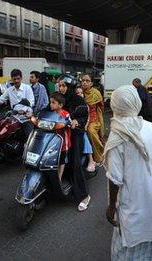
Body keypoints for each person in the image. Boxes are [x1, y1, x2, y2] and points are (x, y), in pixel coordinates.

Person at [104, 85, 152, 261]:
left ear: (115, 105)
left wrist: (112, 207)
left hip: (131, 206)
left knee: (126, 248)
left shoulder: (117, 135)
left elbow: (115, 179)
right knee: (148, 248)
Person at [57, 75, 91, 211]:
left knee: (75, 163)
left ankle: (84, 196)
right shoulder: (58, 98)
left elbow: (83, 114)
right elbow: (49, 108)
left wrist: (77, 121)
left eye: (64, 85)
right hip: (59, 133)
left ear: (70, 86)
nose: (61, 88)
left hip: (75, 134)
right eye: (60, 85)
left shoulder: (78, 99)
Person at [0, 69, 35, 137]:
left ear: (21, 78)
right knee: (2, 133)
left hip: (26, 118)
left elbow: (31, 102)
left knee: (30, 137)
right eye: (14, 79)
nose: (16, 81)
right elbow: (0, 100)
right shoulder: (9, 90)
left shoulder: (27, 88)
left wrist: (23, 110)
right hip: (14, 117)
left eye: (18, 79)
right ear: (12, 79)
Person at [81, 73, 105, 166]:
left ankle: (100, 153)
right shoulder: (79, 91)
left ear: (91, 83)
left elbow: (101, 107)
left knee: (90, 131)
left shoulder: (96, 93)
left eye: (87, 81)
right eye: (83, 80)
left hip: (93, 119)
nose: (84, 83)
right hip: (81, 118)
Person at [48, 92, 71, 183]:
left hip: (63, 141)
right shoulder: (51, 114)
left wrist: (69, 123)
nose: (51, 104)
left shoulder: (65, 114)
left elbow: (69, 122)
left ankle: (59, 177)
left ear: (60, 105)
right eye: (50, 102)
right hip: (53, 140)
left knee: (61, 160)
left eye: (53, 102)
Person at [76, 86, 96, 172]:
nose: (80, 94)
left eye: (81, 93)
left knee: (84, 137)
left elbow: (87, 118)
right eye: (77, 93)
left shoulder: (85, 105)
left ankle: (91, 160)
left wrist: (85, 126)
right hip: (73, 127)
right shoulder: (72, 104)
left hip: (81, 127)